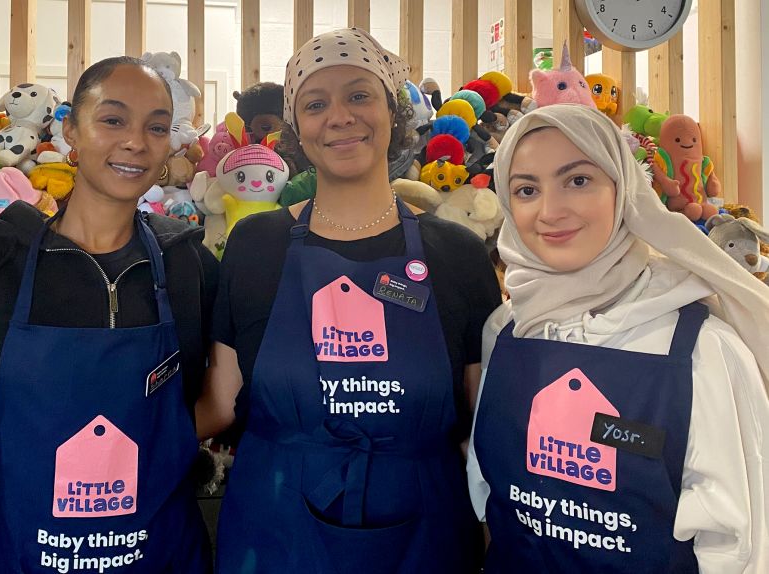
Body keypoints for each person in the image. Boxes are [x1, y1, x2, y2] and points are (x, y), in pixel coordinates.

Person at [197, 28, 502, 573]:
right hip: (274, 531)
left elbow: (483, 429)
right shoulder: (255, 245)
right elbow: (222, 401)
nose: (339, 116)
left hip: (426, 536)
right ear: (296, 130)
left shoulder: (456, 252)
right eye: (316, 104)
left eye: (359, 95)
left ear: (393, 110)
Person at [0, 57, 218, 573]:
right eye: (113, 119)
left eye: (157, 127)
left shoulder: (188, 265)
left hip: (163, 557)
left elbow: (228, 401)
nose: (136, 141)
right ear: (70, 128)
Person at [467, 104, 769, 573]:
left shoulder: (700, 348)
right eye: (527, 189)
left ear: (625, 191)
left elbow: (738, 547)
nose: (550, 211)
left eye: (578, 180)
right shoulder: (506, 331)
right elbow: (490, 496)